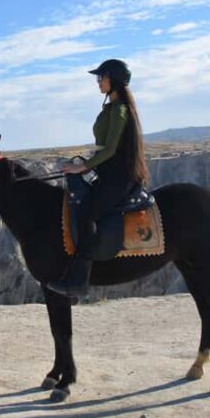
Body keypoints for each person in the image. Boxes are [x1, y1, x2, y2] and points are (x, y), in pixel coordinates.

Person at [47, 58, 150, 298]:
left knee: (87, 213)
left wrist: (83, 167)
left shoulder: (120, 110)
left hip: (118, 178)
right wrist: (81, 166)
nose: (98, 82)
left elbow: (111, 149)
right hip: (107, 173)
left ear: (112, 79)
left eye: (100, 77)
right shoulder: (111, 108)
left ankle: (80, 279)